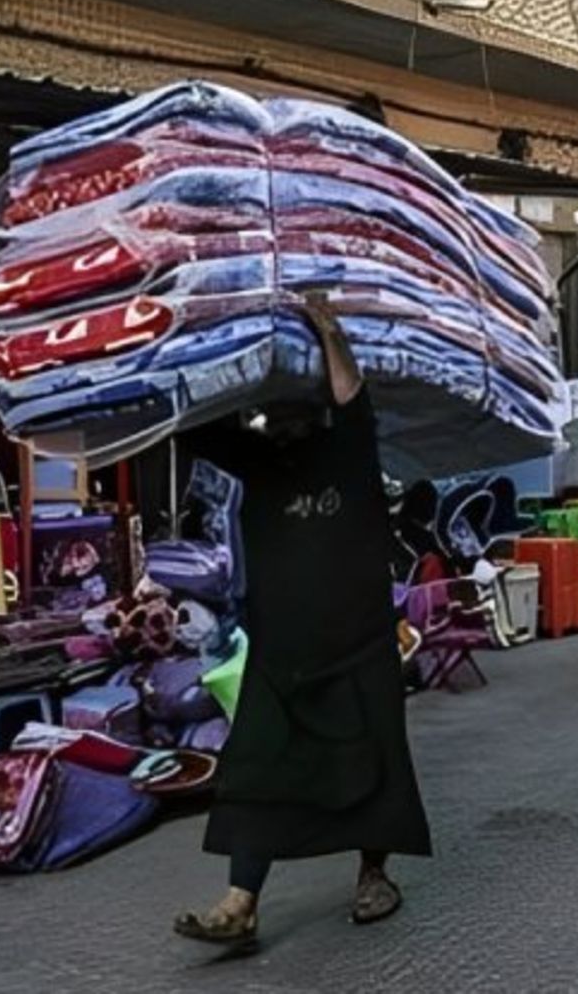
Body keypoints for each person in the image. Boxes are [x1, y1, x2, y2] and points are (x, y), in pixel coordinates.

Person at [175, 295, 430, 949]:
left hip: (358, 648)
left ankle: (374, 875)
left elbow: (353, 401)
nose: (278, 426)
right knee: (257, 769)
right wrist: (201, 340)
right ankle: (241, 902)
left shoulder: (347, 455)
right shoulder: (260, 466)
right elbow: (195, 425)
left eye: (292, 414)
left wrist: (326, 327)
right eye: (271, 416)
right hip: (280, 657)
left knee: (372, 768)